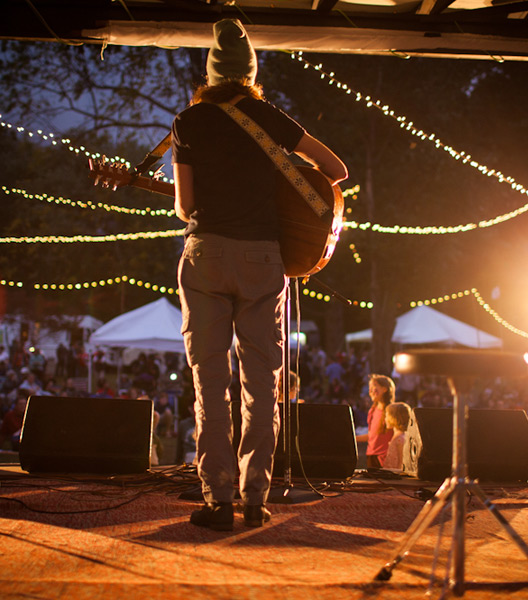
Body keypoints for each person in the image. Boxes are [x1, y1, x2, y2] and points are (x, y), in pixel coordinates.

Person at [172, 18, 347, 532]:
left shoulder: (189, 121)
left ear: (210, 73)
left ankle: (217, 500)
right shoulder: (268, 117)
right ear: (250, 73)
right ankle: (255, 499)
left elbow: (185, 208)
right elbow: (334, 170)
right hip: (264, 259)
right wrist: (281, 186)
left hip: (206, 255)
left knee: (209, 383)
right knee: (261, 384)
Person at [355, 374, 395, 468]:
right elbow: (372, 435)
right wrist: (354, 438)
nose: (370, 391)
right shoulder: (373, 410)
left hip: (385, 458)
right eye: (370, 388)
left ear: (385, 389)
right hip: (371, 456)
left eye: (374, 387)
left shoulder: (391, 411)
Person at [382, 402, 411, 470]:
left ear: (394, 418)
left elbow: (401, 464)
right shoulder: (397, 436)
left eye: (387, 416)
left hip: (394, 477)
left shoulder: (400, 439)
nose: (385, 419)